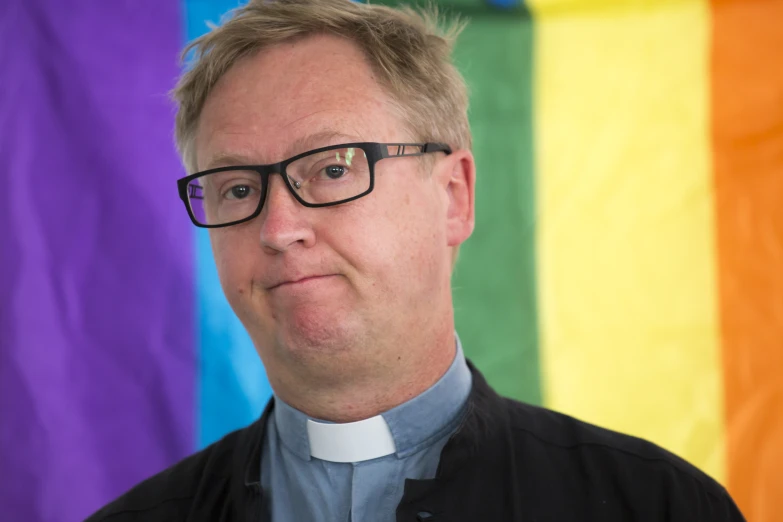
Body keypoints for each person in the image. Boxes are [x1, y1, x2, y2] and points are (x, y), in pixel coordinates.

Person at [87, 0, 745, 520]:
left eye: (333, 168)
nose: (278, 226)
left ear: (453, 197)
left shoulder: (655, 505)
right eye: (237, 188)